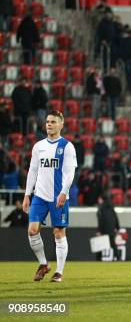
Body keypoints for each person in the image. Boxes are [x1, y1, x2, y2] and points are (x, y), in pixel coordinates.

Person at [23, 110, 78, 282]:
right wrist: (27, 195)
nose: (49, 124)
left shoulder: (67, 147)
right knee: (32, 230)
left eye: (53, 122)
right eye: (47, 121)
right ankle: (43, 264)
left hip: (58, 196)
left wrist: (63, 192)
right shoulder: (38, 146)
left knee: (58, 232)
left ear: (61, 125)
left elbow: (70, 173)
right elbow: (32, 171)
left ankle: (59, 272)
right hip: (39, 196)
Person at [96, 195, 120, 260]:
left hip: (104, 229)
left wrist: (99, 231)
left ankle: (98, 259)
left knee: (100, 244)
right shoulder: (111, 207)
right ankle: (118, 258)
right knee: (113, 244)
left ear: (102, 199)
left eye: (99, 199)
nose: (98, 200)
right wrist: (117, 228)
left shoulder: (100, 209)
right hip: (111, 229)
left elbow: (101, 220)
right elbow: (116, 218)